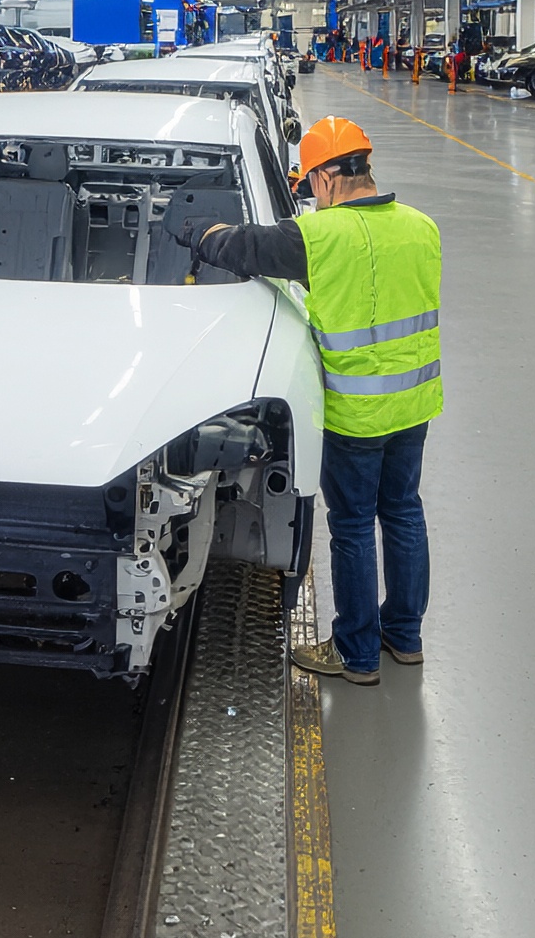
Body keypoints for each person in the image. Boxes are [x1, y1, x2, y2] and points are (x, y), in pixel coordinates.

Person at [172, 117, 440, 686]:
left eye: (310, 184)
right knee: (403, 513)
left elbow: (243, 248)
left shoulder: (315, 238)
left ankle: (357, 654)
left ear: (324, 179)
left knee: (351, 525)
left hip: (356, 413)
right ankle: (405, 638)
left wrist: (197, 232)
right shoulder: (423, 227)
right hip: (414, 406)